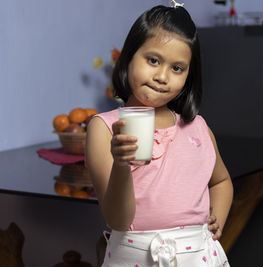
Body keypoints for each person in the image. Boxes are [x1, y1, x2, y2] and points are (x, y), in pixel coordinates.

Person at [85, 3, 233, 267]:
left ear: (189, 76)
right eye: (153, 60)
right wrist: (121, 163)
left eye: (177, 68)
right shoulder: (104, 128)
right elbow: (118, 220)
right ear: (130, 56)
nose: (162, 76)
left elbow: (221, 181)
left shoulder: (197, 127)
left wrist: (217, 218)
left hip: (200, 258)